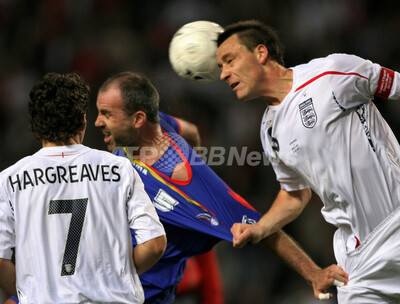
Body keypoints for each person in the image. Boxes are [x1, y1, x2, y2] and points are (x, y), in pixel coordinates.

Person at [94, 71, 348, 303]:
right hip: (105, 281)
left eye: (106, 115)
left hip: (140, 296)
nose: (97, 122)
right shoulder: (151, 127)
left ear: (138, 119)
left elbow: (260, 228)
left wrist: (313, 273)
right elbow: (190, 131)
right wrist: (194, 153)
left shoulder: (190, 187)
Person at [217, 20, 400, 303]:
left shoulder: (331, 73)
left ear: (261, 53)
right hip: (357, 260)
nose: (223, 74)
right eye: (220, 67)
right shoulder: (269, 129)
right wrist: (260, 228)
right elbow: (295, 194)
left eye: (229, 60)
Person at [0, 72, 167, 303]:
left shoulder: (9, 180)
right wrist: (115, 279)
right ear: (83, 120)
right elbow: (155, 244)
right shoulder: (120, 169)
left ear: (35, 126)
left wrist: (28, 292)